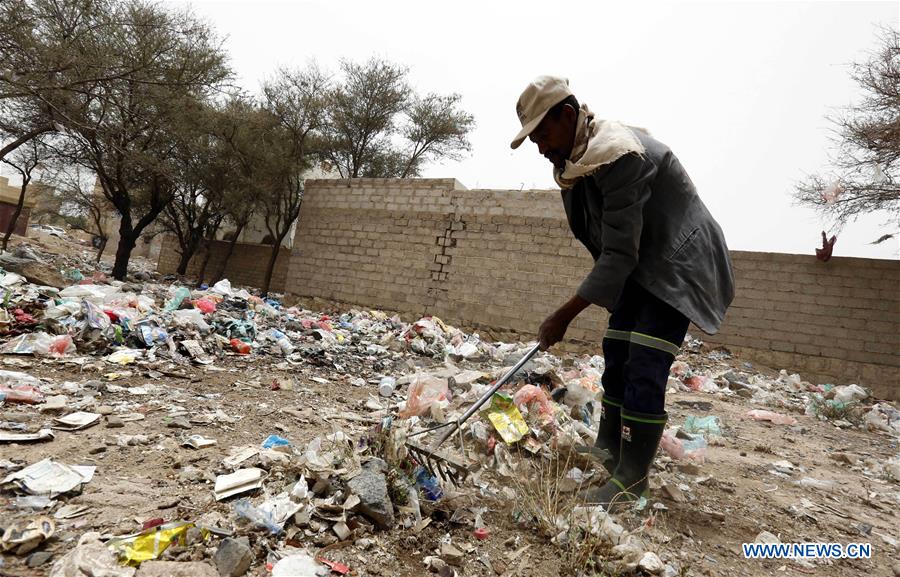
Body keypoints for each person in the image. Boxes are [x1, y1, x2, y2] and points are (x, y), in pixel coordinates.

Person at [511, 75, 735, 510]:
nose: (540, 146)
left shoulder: (619, 154)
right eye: (533, 138)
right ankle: (610, 455)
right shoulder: (575, 168)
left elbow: (615, 254)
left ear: (569, 115)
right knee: (616, 347)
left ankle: (632, 479)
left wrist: (564, 314)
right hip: (640, 265)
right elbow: (605, 247)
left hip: (678, 263)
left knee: (645, 360)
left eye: (543, 132)